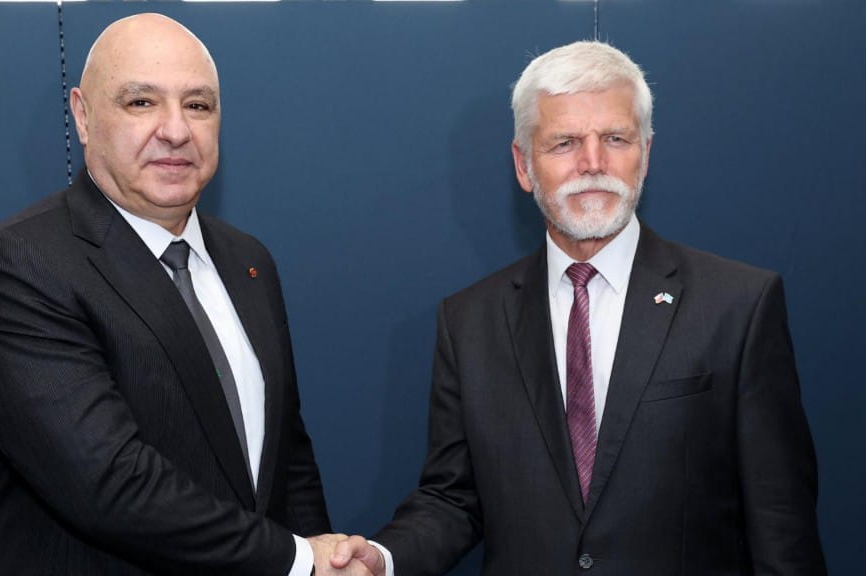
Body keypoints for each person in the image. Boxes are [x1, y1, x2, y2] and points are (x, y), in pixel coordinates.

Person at [328, 41, 827, 575]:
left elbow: (781, 526)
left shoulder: (737, 306)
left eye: (615, 138)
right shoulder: (469, 322)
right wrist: (383, 560)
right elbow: (453, 499)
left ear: (646, 155)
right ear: (523, 165)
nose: (592, 163)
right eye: (564, 143)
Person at [0, 13, 361, 576]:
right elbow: (108, 482)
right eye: (141, 102)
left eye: (198, 105)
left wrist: (323, 555)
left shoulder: (248, 260)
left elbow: (287, 456)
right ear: (83, 117)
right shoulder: (16, 263)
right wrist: (298, 560)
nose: (175, 130)